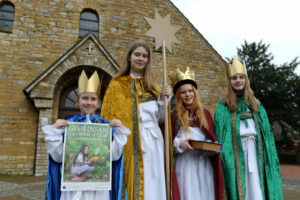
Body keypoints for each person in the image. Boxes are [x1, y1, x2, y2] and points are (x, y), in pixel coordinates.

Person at [101, 40, 175, 200]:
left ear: (148, 60)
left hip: (154, 141)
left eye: (144, 56)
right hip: (131, 142)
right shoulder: (117, 85)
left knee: (154, 179)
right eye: (137, 55)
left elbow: (162, 120)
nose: (141, 58)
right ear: (129, 57)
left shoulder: (153, 86)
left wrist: (164, 99)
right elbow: (108, 115)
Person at [42, 70, 130, 200]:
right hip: (73, 188)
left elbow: (114, 156)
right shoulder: (68, 125)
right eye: (85, 98)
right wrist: (55, 132)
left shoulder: (106, 127)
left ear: (98, 103)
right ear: (77, 101)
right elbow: (58, 157)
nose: (89, 102)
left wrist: (118, 133)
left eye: (93, 99)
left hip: (98, 190)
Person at [213, 58, 283, 200]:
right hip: (236, 154)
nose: (238, 81)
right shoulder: (223, 106)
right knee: (241, 186)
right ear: (229, 81)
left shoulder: (256, 104)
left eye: (241, 77)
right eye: (234, 78)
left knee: (257, 184)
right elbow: (220, 135)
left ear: (246, 80)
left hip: (257, 152)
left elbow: (267, 136)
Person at [169, 67, 223, 200]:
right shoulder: (173, 116)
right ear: (178, 96)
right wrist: (180, 144)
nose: (188, 95)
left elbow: (210, 137)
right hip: (185, 163)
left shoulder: (205, 114)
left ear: (195, 93)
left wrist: (212, 147)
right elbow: (168, 143)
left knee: (205, 193)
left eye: (190, 91)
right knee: (188, 193)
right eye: (183, 92)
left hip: (204, 163)